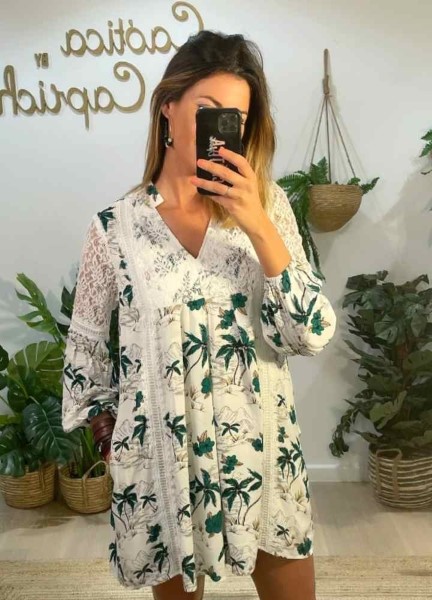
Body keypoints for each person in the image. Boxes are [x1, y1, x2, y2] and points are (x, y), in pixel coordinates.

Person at [62, 29, 337, 600]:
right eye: (207, 110)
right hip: (164, 470)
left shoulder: (269, 208)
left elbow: (309, 332)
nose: (220, 129)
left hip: (263, 461)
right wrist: (117, 443)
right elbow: (84, 356)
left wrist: (258, 224)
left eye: (235, 118)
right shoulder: (114, 229)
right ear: (168, 105)